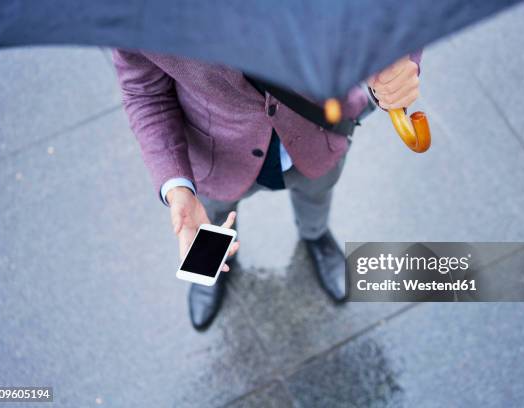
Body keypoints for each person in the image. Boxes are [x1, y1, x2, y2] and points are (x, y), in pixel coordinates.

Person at [112, 51, 421, 330]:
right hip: (214, 151)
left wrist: (399, 63)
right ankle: (209, 267)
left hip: (317, 126)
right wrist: (178, 185)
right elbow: (145, 92)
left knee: (317, 195)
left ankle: (315, 236)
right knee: (210, 217)